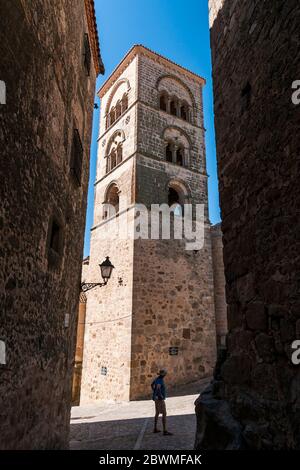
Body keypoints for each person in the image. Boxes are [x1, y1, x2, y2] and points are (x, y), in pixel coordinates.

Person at [151, 369, 173, 435]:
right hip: (159, 399)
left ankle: (155, 428)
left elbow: (152, 385)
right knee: (164, 413)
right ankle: (165, 430)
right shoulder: (160, 380)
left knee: (157, 413)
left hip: (156, 398)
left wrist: (154, 392)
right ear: (163, 375)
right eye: (164, 374)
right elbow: (158, 388)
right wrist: (160, 396)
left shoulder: (156, 379)